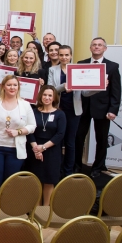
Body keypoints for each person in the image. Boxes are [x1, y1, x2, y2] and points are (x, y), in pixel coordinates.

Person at [75, 37, 121, 178]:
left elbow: (116, 91)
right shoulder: (81, 64)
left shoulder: (112, 66)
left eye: (100, 45)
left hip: (103, 109)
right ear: (90, 48)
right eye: (94, 45)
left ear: (104, 48)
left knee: (101, 139)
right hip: (82, 107)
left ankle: (98, 167)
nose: (96, 47)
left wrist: (113, 110)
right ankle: (76, 166)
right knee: (78, 137)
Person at [0, 75, 36, 195]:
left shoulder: (25, 104)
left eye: (15, 85)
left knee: (10, 181)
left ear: (18, 87)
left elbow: (32, 126)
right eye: (9, 85)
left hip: (15, 149)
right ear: (3, 86)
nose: (12, 87)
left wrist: (19, 132)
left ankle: (7, 205)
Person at [24, 86, 67, 205]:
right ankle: (36, 210)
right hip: (34, 149)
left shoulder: (60, 114)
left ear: (54, 98)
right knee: (35, 180)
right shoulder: (33, 112)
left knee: (49, 180)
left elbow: (60, 134)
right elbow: (29, 130)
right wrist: (36, 149)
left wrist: (43, 148)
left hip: (51, 151)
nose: (47, 98)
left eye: (50, 95)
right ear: (40, 96)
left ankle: (45, 209)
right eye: (44, 95)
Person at [47, 45, 83, 177]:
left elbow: (85, 92)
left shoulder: (78, 70)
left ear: (71, 55)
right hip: (57, 110)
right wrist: (63, 86)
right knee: (56, 141)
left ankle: (68, 172)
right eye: (61, 55)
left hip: (74, 110)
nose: (64, 57)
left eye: (66, 55)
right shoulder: (52, 70)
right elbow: (50, 89)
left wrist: (98, 87)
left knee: (70, 142)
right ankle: (56, 170)